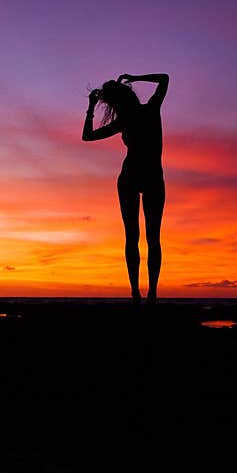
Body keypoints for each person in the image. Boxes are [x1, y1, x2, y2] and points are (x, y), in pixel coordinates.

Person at [82, 73, 169, 304]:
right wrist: (135, 77)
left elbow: (87, 135)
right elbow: (164, 79)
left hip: (140, 177)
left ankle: (142, 293)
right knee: (146, 237)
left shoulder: (139, 114)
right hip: (140, 177)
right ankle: (145, 294)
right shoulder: (148, 110)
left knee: (141, 237)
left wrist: (91, 107)